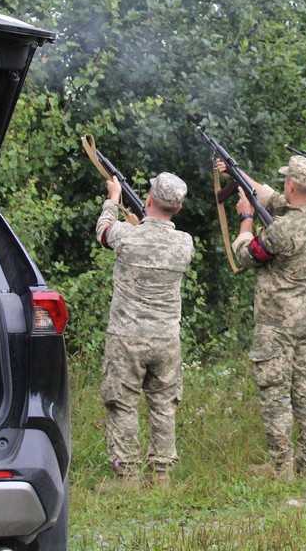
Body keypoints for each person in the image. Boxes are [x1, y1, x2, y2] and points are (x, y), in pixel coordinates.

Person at [227, 155, 306, 481]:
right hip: (305, 319)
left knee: (275, 392)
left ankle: (280, 466)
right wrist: (237, 173)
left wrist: (245, 220)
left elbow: (244, 256)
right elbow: (271, 196)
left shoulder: (282, 231)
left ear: (291, 185)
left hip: (276, 323)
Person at [95, 172, 194, 487]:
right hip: (166, 339)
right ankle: (161, 474)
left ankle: (126, 477)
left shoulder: (128, 236)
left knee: (122, 402)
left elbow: (103, 231)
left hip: (128, 336)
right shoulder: (185, 243)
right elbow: (156, 241)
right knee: (164, 404)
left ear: (149, 199)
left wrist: (112, 198)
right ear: (177, 208)